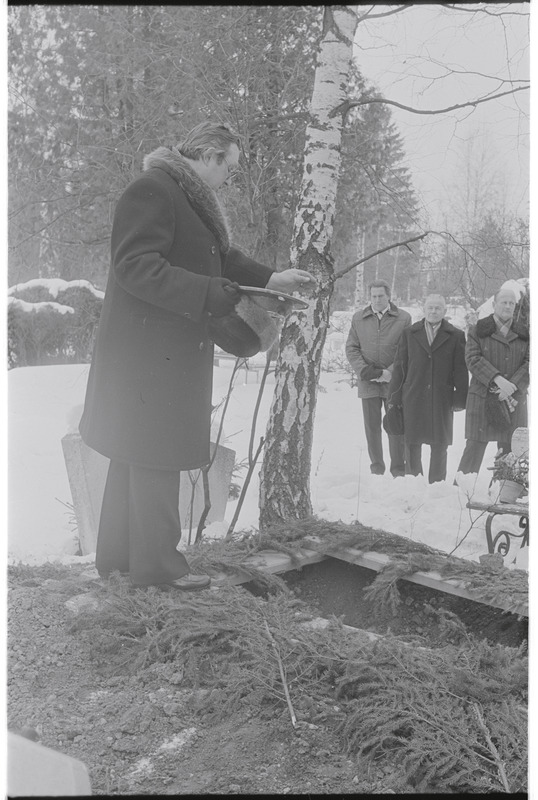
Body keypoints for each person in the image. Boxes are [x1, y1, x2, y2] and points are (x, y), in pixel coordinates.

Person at [79, 121, 314, 590]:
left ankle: (120, 560)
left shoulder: (185, 198)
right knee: (155, 454)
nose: (230, 177)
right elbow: (134, 266)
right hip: (148, 355)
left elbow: (216, 257)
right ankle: (160, 570)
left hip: (157, 352)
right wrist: (209, 293)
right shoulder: (152, 190)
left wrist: (272, 279)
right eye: (229, 166)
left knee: (135, 454)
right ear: (208, 155)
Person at [387, 294, 468, 483]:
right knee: (412, 442)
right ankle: (413, 481)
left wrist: (459, 399)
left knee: (440, 444)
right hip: (413, 395)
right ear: (423, 310)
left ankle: (437, 484)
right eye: (430, 307)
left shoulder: (455, 335)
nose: (433, 311)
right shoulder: (410, 333)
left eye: (438, 308)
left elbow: (461, 370)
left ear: (445, 311)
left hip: (442, 397)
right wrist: (395, 398)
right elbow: (400, 367)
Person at [456, 287, 529, 476]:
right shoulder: (477, 330)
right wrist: (497, 380)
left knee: (509, 449)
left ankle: (502, 492)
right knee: (475, 445)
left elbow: (531, 362)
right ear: (494, 304)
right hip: (482, 397)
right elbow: (472, 358)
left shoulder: (525, 333)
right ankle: (462, 491)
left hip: (513, 399)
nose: (507, 306)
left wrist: (512, 386)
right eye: (504, 302)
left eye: (511, 303)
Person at [345, 281, 411, 477]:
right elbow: (351, 348)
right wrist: (365, 370)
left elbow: (406, 349)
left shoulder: (403, 318)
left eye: (380, 296)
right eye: (373, 296)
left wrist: (390, 372)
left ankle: (398, 469)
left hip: (394, 382)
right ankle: (377, 468)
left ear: (389, 296)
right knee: (372, 428)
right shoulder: (359, 318)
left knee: (395, 425)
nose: (376, 300)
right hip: (369, 382)